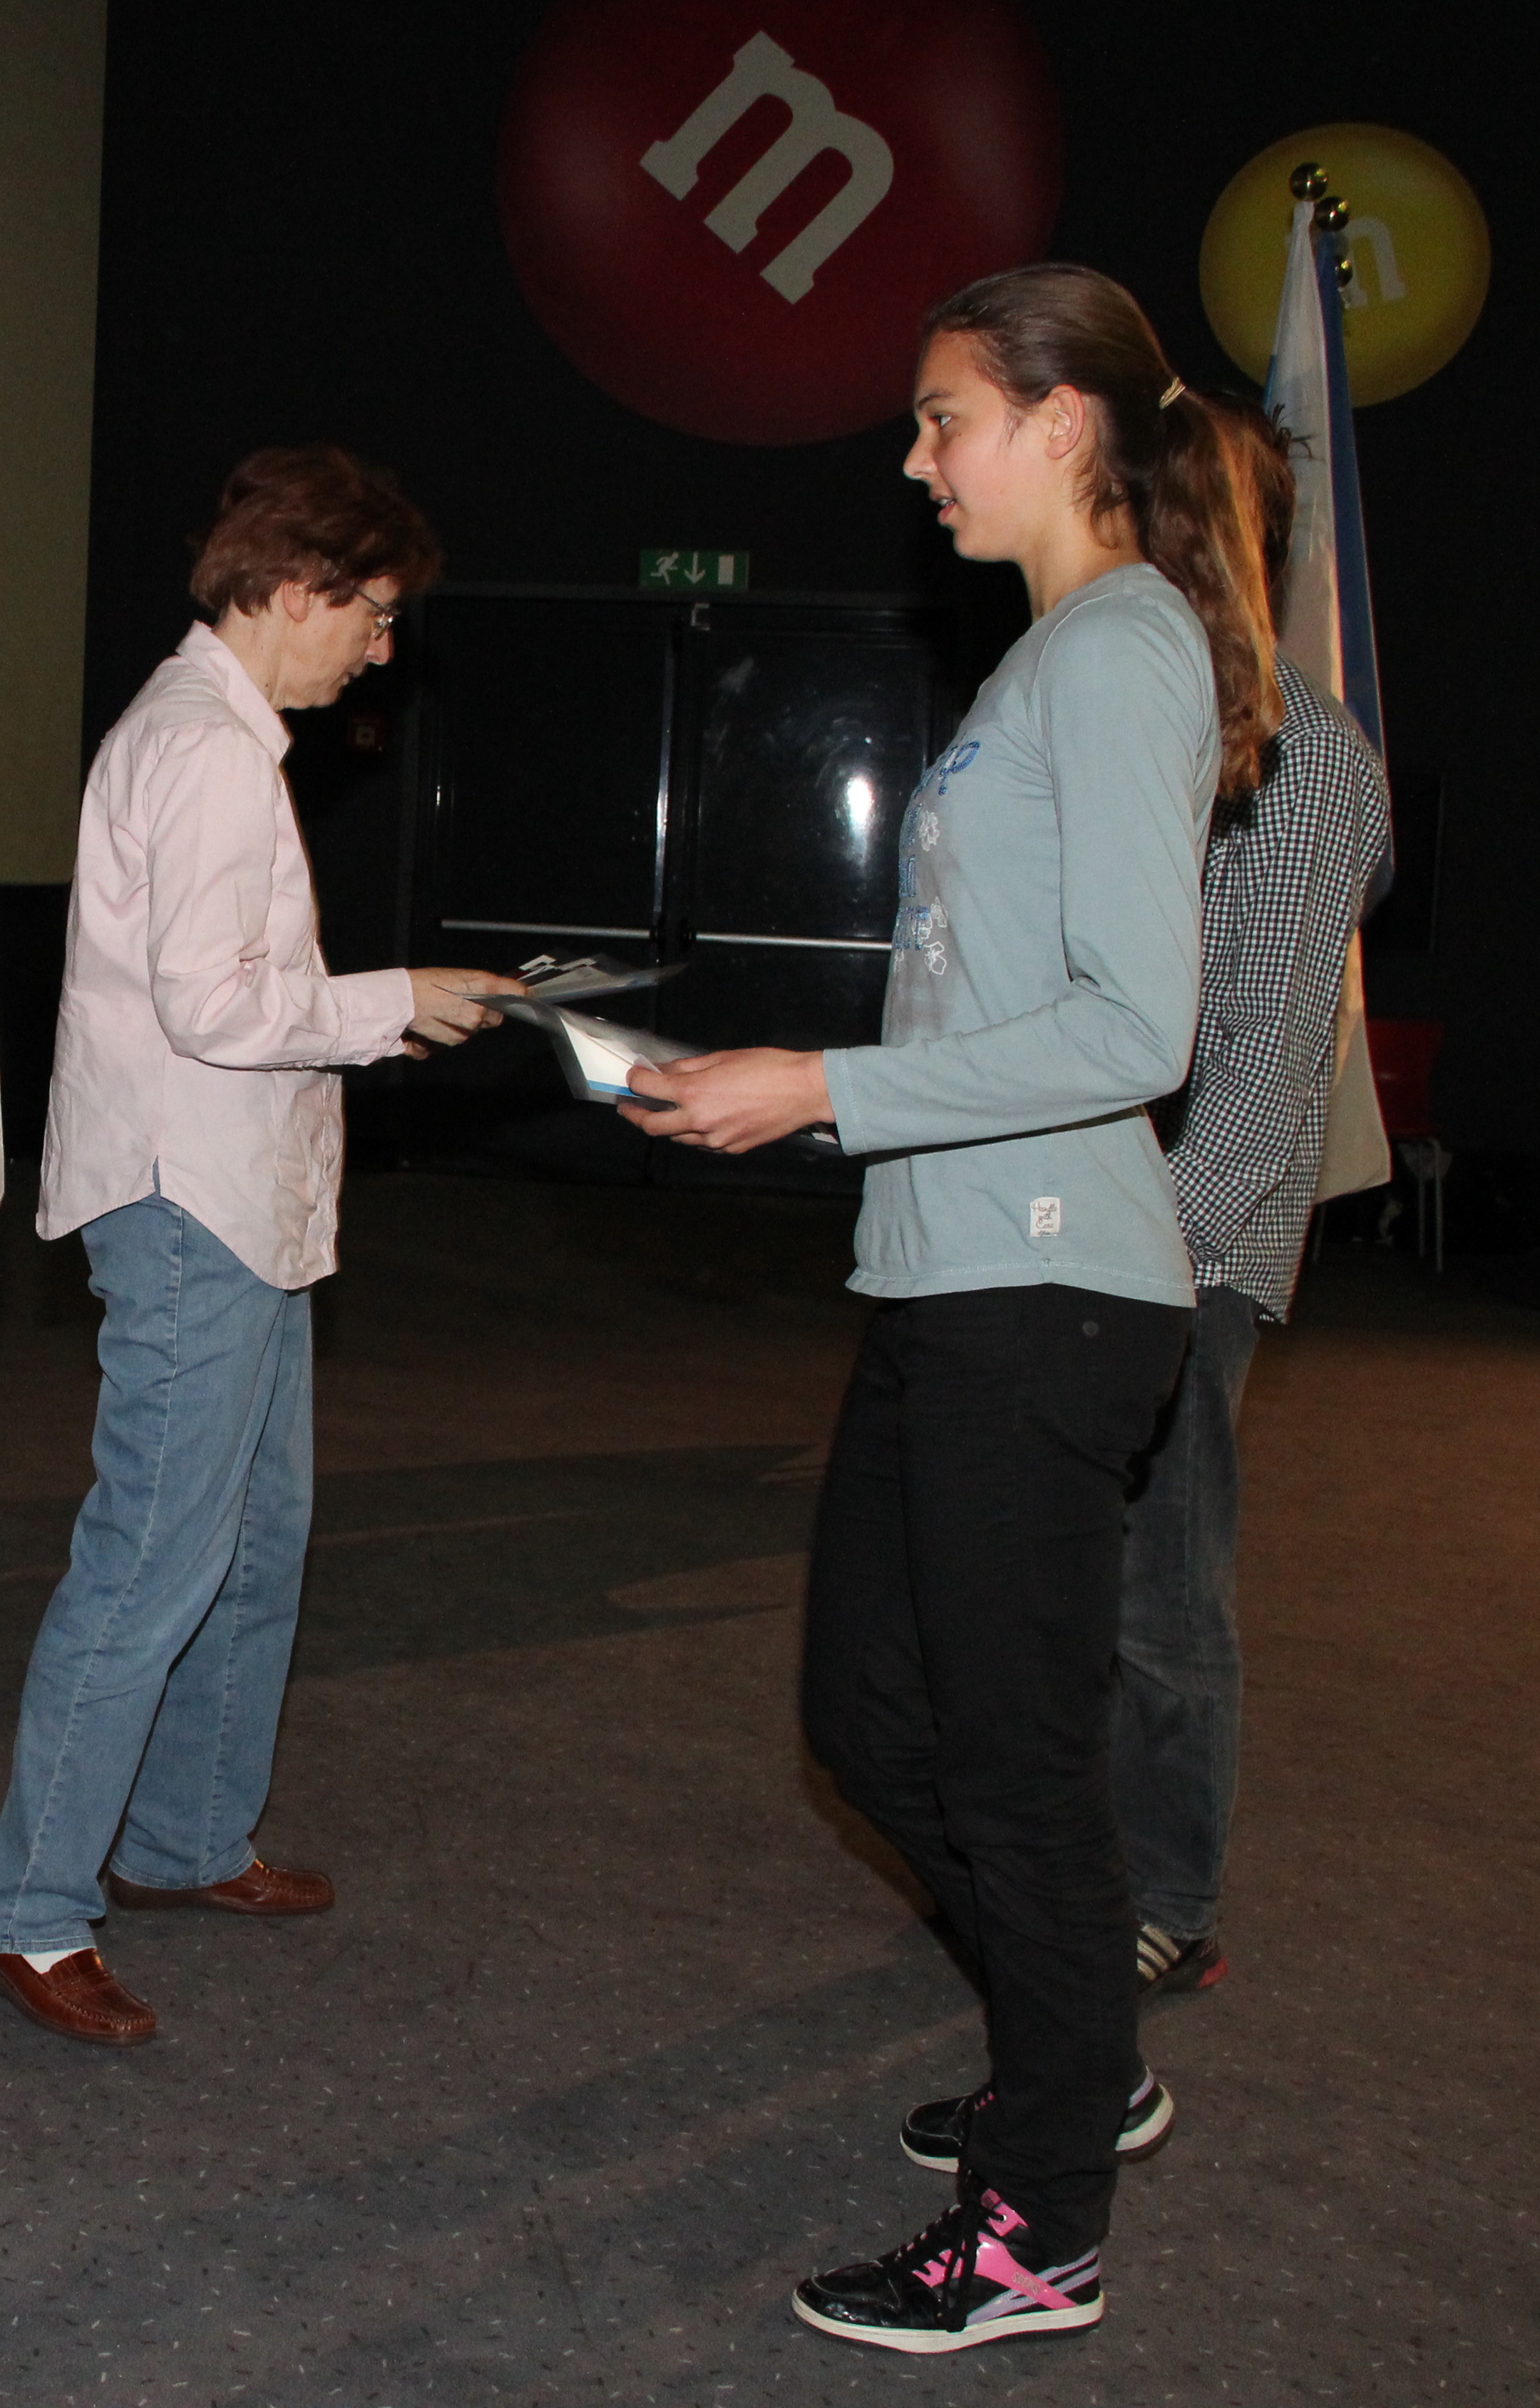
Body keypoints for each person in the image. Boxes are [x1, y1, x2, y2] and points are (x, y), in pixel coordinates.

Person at [620, 265, 1279, 2352]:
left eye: (942, 417)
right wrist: (799, 1084)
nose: (914, 460)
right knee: (867, 1720)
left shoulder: (1120, 644)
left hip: (1048, 1288)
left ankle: (1040, 2226)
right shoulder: (1053, 649)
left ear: (1064, 424)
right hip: (955, 1271)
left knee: (1009, 1770)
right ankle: (1077, 2056)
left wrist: (820, 1087)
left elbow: (1135, 1028)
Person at [0, 446, 519, 2046]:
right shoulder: (203, 746)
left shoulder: (219, 735)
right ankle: (28, 1912)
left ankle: (187, 1836)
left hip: (235, 1200)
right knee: (150, 1558)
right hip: (188, 1205)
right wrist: (395, 1001)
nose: (381, 650)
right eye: (372, 614)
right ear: (288, 590)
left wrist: (382, 1010)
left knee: (257, 1540)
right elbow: (213, 1008)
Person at [1113, 464, 1395, 2002]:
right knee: (1080, 1571)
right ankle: (1078, 1862)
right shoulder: (1144, 705)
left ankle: (1168, 1895)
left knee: (1163, 1583)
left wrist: (1143, 1260)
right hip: (1099, 1223)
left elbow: (1263, 1067)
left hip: (1185, 1247)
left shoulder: (1297, 750)